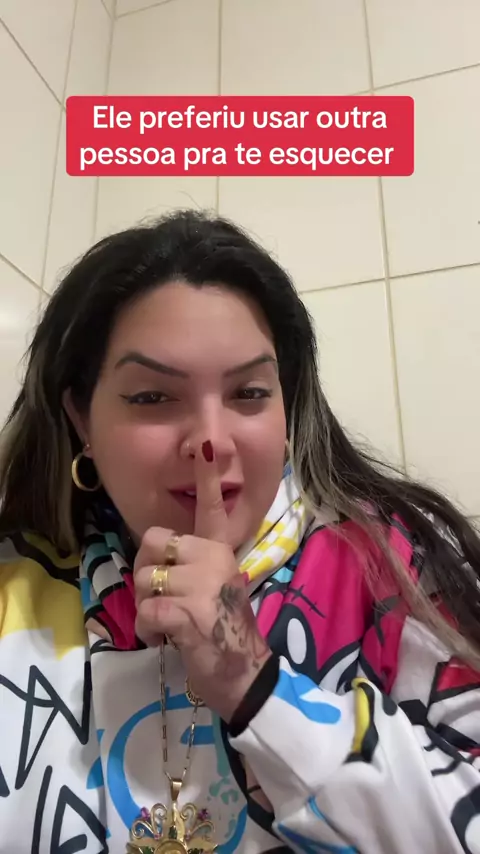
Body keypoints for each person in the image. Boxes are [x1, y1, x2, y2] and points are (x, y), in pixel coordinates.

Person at [0, 209, 479, 854]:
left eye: (249, 393)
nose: (211, 440)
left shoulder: (395, 569)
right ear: (82, 418)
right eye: (152, 397)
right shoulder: (15, 595)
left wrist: (254, 684)